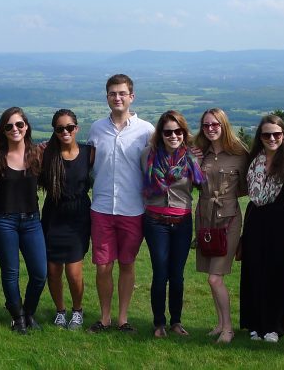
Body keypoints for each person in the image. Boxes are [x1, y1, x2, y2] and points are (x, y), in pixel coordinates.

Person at [86, 74, 155, 333]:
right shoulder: (96, 129)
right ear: (107, 98)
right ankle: (104, 318)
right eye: (112, 94)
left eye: (122, 93)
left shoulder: (146, 130)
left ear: (131, 97)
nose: (117, 98)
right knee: (103, 266)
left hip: (133, 208)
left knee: (127, 264)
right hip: (102, 207)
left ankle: (123, 318)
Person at [140, 110, 205, 338]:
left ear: (184, 132)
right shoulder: (148, 155)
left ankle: (176, 322)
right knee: (160, 273)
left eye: (178, 131)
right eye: (168, 131)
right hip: (155, 222)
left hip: (182, 221)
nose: (173, 135)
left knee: (177, 275)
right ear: (161, 133)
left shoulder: (192, 158)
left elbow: (204, 184)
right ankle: (159, 324)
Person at [239, 114, 284, 343]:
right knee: (254, 271)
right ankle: (255, 323)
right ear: (260, 137)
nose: (272, 138)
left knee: (278, 273)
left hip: (281, 222)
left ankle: (275, 326)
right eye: (267, 134)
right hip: (256, 221)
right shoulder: (255, 159)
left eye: (277, 134)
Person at [0, 107, 47, 335]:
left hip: (32, 221)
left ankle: (27, 312)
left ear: (26, 127)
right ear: (2, 130)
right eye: (9, 126)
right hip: (3, 221)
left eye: (19, 125)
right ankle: (18, 317)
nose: (15, 129)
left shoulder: (37, 155)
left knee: (39, 273)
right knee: (11, 272)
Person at [193, 108, 248, 344]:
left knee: (215, 278)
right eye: (206, 125)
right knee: (211, 276)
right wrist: (194, 161)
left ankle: (228, 328)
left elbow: (246, 187)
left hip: (229, 219)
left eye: (215, 124)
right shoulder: (199, 152)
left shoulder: (239, 153)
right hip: (205, 218)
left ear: (224, 125)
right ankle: (219, 323)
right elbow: (193, 182)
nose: (211, 129)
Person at [39, 109, 94, 330]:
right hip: (53, 216)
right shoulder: (46, 155)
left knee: (73, 272)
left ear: (76, 128)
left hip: (79, 217)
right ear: (54, 131)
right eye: (60, 128)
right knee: (53, 270)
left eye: (69, 127)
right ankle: (60, 311)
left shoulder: (90, 153)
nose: (65, 132)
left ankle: (77, 310)